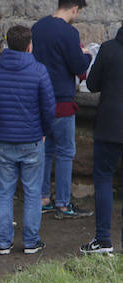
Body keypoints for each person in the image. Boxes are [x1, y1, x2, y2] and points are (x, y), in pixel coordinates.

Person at [0, 25, 55, 255]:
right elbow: (49, 108)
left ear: (7, 44)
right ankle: (31, 242)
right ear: (29, 46)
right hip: (32, 140)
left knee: (4, 190)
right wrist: (44, 131)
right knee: (32, 192)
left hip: (3, 141)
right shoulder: (39, 70)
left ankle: (4, 243)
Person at [32, 0, 94, 219]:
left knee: (46, 150)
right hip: (62, 100)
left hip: (39, 99)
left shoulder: (38, 27)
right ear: (75, 8)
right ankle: (63, 203)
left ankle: (42, 198)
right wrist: (86, 54)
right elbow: (78, 66)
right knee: (66, 152)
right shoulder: (69, 32)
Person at [81, 21, 123, 254]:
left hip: (109, 126)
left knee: (104, 180)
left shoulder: (108, 49)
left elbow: (92, 83)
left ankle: (103, 240)